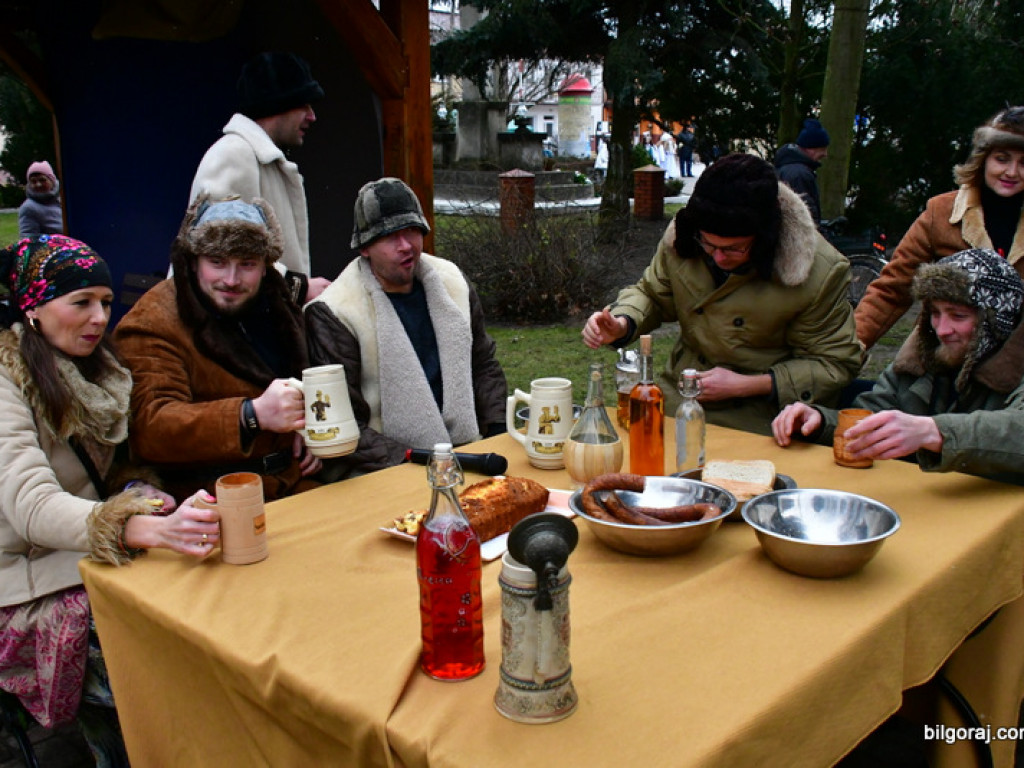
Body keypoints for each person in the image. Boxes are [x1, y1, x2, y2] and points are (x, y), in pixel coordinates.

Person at [0, 235, 219, 764]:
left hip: (81, 558)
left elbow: (106, 476)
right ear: (32, 308)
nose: (100, 317)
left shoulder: (97, 371)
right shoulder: (5, 381)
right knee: (157, 663)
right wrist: (132, 526)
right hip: (22, 586)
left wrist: (138, 493)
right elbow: (30, 503)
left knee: (206, 613)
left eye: (104, 300)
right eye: (81, 302)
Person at [582, 153, 861, 436]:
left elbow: (833, 364)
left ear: (766, 237)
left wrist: (746, 384)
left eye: (734, 249)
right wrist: (622, 323)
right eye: (708, 244)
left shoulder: (820, 272)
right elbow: (652, 293)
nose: (717, 257)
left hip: (764, 416)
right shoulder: (685, 237)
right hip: (679, 395)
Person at [114, 196, 322, 501]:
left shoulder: (276, 305)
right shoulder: (153, 321)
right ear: (194, 260)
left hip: (292, 481)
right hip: (209, 499)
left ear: (266, 267)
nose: (231, 279)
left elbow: (300, 380)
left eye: (247, 264)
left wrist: (309, 430)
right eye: (218, 262)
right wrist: (250, 415)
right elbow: (150, 427)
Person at [304, 178, 508, 479]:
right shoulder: (335, 312)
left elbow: (483, 364)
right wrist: (416, 462)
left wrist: (498, 432)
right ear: (364, 248)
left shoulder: (452, 283)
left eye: (412, 230)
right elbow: (344, 422)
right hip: (383, 471)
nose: (406, 246)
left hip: (471, 456)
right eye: (390, 236)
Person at [774, 249, 1024, 484]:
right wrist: (820, 421)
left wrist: (934, 432)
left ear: (996, 321)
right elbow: (871, 417)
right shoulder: (918, 358)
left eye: (958, 316)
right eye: (935, 313)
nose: (942, 329)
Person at [856, 106, 1024, 350]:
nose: (1011, 172)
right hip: (941, 357)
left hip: (1014, 366)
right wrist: (848, 352)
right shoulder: (942, 212)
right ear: (983, 158)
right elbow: (892, 289)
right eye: (1002, 158)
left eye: (1023, 163)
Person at [190, 51, 331, 304]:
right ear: (279, 103)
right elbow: (218, 252)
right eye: (304, 104)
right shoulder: (234, 155)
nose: (312, 116)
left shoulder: (258, 158)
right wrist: (298, 287)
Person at [774, 118, 830, 224]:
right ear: (811, 148)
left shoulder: (789, 169)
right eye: (823, 149)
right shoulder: (799, 174)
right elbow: (806, 215)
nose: (825, 154)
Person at [18, 160, 63, 237]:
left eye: (42, 180)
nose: (38, 184)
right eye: (34, 181)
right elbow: (29, 239)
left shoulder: (63, 200)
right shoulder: (29, 208)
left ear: (52, 180)